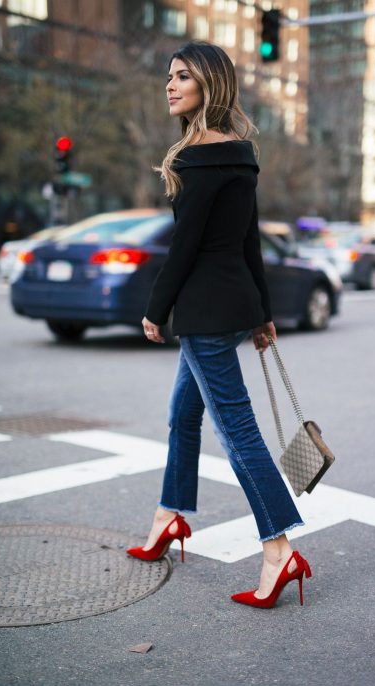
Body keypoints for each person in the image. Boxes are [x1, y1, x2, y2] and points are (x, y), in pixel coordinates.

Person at [127, 42, 311, 609]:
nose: (171, 85)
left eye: (183, 77)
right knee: (183, 415)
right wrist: (260, 314)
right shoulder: (241, 154)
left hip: (205, 313)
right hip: (233, 307)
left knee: (237, 432)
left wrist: (156, 309)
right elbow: (246, 240)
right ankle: (167, 518)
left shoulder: (192, 158)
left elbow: (185, 248)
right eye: (169, 76)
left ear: (210, 85)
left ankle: (279, 551)